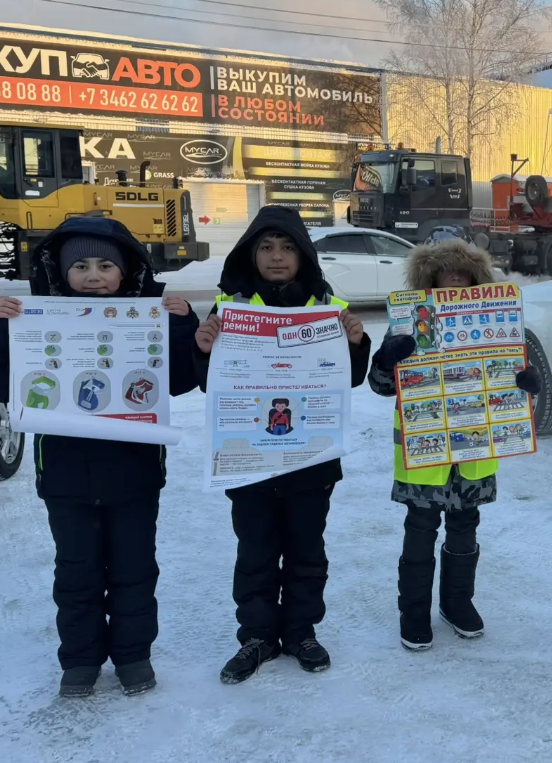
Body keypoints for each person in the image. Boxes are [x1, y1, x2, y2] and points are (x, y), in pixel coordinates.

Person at [0, 217, 200, 698]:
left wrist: (180, 326)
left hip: (134, 476)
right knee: (77, 573)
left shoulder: (146, 315)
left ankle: (134, 657)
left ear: (127, 271)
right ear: (62, 273)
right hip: (66, 477)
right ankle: (79, 662)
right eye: (81, 266)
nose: (93, 276)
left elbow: (177, 381)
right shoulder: (36, 321)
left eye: (106, 265)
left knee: (135, 570)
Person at [192, 206, 372, 683]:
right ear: (251, 253)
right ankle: (256, 637)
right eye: (266, 247)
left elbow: (348, 380)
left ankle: (300, 632)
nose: (277, 257)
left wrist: (356, 342)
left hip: (310, 461)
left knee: (306, 550)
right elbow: (210, 384)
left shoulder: (324, 305)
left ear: (303, 256)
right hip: (248, 461)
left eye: (288, 247)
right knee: (254, 552)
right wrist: (203, 348)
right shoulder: (230, 306)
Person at [368, 238, 542, 651]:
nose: (454, 284)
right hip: (423, 457)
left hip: (474, 456)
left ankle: (457, 603)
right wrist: (385, 360)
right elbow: (379, 386)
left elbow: (510, 382)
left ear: (476, 284)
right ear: (429, 281)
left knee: (465, 530)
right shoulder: (407, 325)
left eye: (463, 279)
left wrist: (525, 384)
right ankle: (413, 612)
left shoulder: (496, 328)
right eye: (446, 277)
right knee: (419, 532)